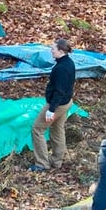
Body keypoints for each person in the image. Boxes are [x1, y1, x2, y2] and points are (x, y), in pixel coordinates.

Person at [29, 38, 76, 172]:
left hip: (58, 104)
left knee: (37, 129)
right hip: (67, 102)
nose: (51, 51)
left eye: (53, 49)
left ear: (61, 51)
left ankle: (42, 163)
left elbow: (59, 90)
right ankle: (57, 161)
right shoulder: (68, 62)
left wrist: (51, 109)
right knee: (57, 129)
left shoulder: (62, 68)